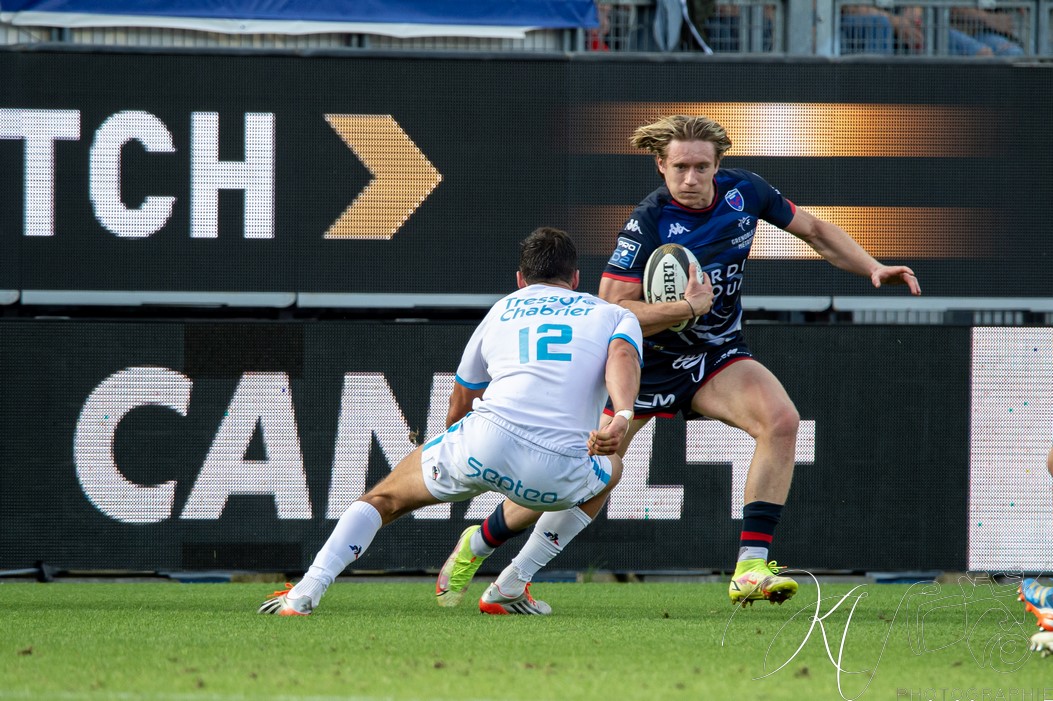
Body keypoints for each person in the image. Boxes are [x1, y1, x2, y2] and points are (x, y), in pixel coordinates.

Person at [439, 115, 920, 610]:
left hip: (715, 355)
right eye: (680, 168)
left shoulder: (745, 193)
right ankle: (479, 544)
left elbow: (815, 231)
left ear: (718, 166)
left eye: (702, 167)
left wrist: (873, 265)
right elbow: (611, 310)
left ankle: (750, 567)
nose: (691, 179)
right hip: (642, 366)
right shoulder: (648, 220)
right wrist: (683, 310)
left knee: (781, 421)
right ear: (660, 166)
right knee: (584, 476)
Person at [258, 227, 643, 616]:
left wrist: (448, 448)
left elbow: (462, 399)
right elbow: (623, 357)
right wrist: (622, 415)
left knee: (383, 500)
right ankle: (511, 583)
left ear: (520, 279)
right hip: (558, 473)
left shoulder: (502, 310)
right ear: (576, 279)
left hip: (483, 445)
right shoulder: (613, 314)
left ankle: (306, 591)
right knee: (611, 470)